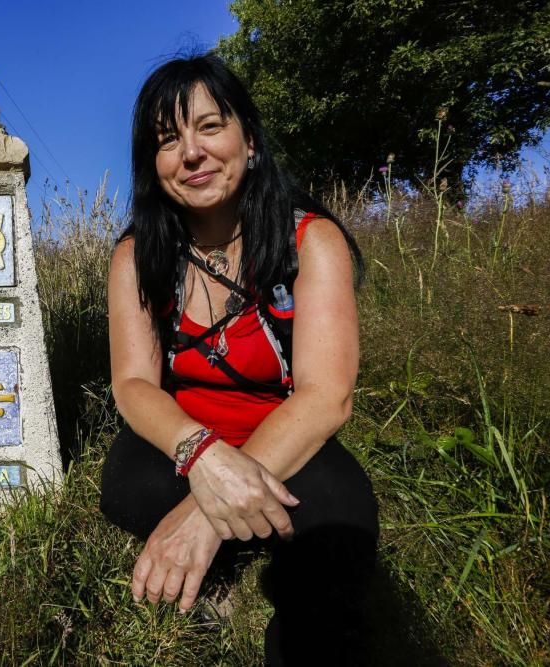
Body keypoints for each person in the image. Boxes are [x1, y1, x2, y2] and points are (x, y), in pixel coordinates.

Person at [99, 53, 380, 665]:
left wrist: (204, 510)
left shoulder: (310, 240)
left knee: (341, 517)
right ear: (154, 165)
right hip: (181, 437)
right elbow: (133, 384)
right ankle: (229, 559)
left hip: (281, 437)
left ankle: (237, 562)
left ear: (248, 140)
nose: (190, 154)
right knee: (127, 487)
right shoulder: (135, 256)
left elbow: (326, 395)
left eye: (208, 126)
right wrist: (200, 457)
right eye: (168, 140)